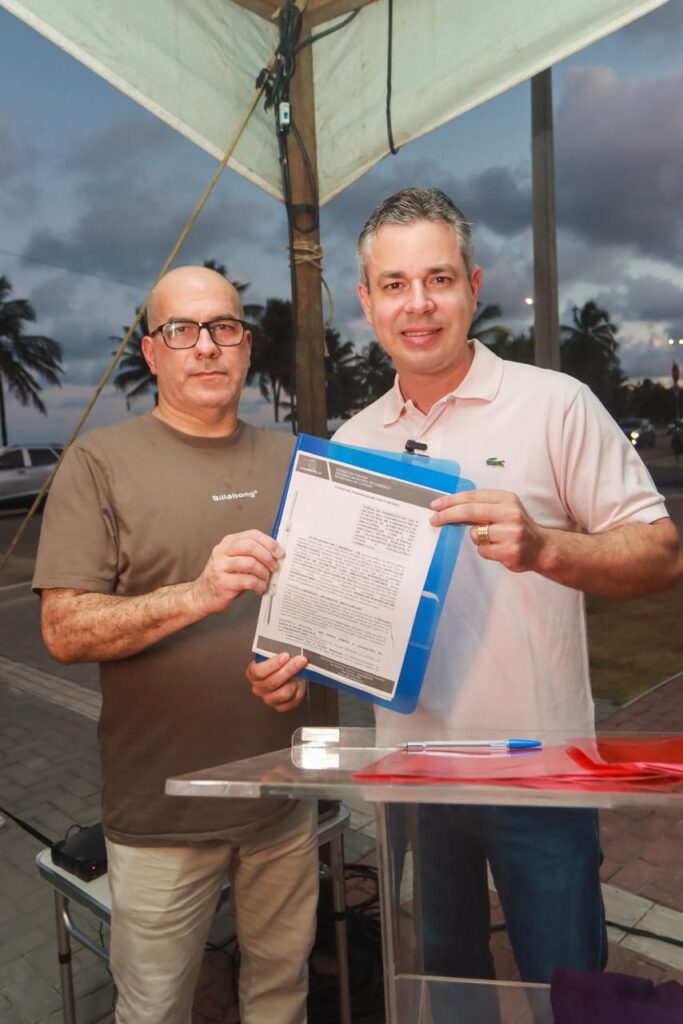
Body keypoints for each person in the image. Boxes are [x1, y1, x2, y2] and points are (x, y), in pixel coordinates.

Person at [248, 188, 682, 986]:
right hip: (415, 774)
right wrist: (294, 661)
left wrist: (545, 547)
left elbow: (660, 554)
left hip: (540, 772)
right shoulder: (352, 441)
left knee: (567, 981)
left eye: (438, 279)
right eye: (394, 283)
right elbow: (340, 610)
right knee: (442, 975)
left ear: (472, 287)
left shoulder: (555, 405)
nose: (417, 303)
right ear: (366, 302)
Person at [34, 265, 318, 1024]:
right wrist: (197, 593)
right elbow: (62, 630)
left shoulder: (297, 461)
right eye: (181, 330)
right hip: (161, 817)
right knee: (154, 1009)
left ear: (245, 344)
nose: (206, 346)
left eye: (223, 327)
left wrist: (305, 671)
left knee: (282, 995)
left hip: (281, 803)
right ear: (151, 352)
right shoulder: (99, 463)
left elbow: (322, 611)